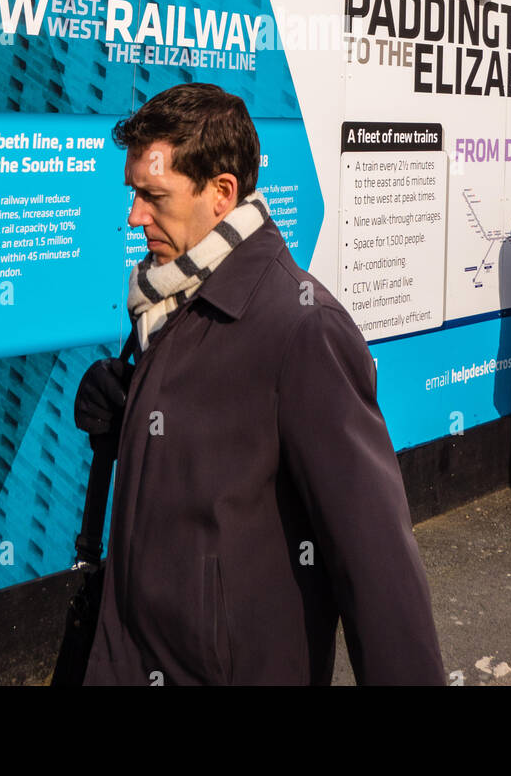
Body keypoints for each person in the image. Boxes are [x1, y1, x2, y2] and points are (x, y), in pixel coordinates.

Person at [74, 82, 445, 686]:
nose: (135, 215)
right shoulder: (169, 296)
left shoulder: (304, 329)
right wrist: (129, 399)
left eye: (153, 196)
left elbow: (378, 565)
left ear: (221, 193)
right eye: (133, 194)